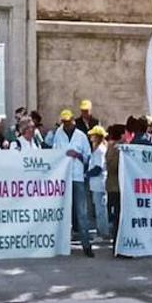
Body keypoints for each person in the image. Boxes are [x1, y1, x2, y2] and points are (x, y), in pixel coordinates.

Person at [51, 109, 93, 257]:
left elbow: (88, 157)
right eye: (64, 122)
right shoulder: (58, 134)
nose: (66, 125)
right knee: (62, 211)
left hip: (77, 176)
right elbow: (54, 153)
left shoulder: (81, 136)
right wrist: (64, 154)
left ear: (73, 121)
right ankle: (61, 244)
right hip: (62, 176)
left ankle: (86, 245)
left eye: (69, 122)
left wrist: (78, 155)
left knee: (81, 212)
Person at [85, 125, 109, 241]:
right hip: (96, 184)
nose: (91, 137)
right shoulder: (97, 149)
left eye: (93, 135)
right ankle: (101, 231)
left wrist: (87, 174)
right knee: (99, 209)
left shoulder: (100, 150)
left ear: (98, 137)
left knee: (101, 210)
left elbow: (98, 168)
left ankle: (103, 233)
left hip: (99, 184)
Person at [105, 124, 125, 245]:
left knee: (117, 215)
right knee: (118, 215)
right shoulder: (116, 148)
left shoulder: (113, 147)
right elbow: (112, 166)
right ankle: (117, 242)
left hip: (114, 186)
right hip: (116, 187)